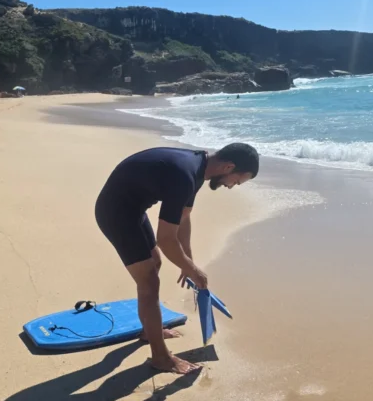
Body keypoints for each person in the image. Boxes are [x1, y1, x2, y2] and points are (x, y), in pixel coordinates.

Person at [95, 143, 259, 374]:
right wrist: (192, 269)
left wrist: (188, 261)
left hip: (133, 208)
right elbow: (166, 238)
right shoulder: (185, 176)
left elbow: (184, 218)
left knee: (156, 264)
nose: (232, 186)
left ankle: (149, 330)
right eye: (236, 181)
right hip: (116, 213)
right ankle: (161, 358)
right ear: (229, 167)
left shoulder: (200, 167)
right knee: (149, 281)